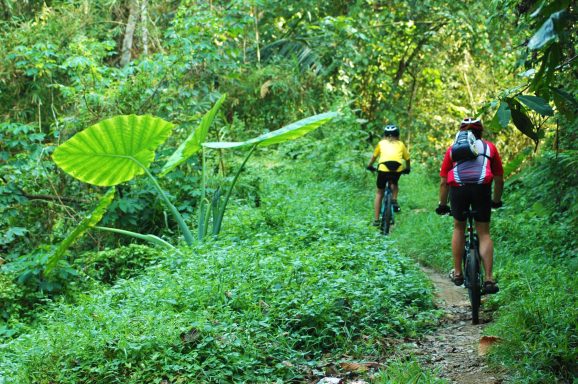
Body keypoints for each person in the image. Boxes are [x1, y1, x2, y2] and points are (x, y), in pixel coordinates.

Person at [435, 117, 504, 294]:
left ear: (461, 132)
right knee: (484, 233)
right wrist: (496, 200)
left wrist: (443, 204)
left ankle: (457, 273)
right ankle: (489, 279)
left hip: (458, 189)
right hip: (482, 189)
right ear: (481, 132)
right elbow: (498, 179)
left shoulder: (452, 150)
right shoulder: (490, 147)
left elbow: (444, 182)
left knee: (459, 227)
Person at [367, 124, 411, 226]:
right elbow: (407, 159)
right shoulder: (401, 144)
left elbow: (373, 157)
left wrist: (369, 166)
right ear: (398, 135)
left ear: (385, 135)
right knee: (394, 183)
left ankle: (376, 219)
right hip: (397, 168)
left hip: (383, 168)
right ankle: (394, 200)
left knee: (379, 193)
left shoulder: (381, 143)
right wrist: (408, 168)